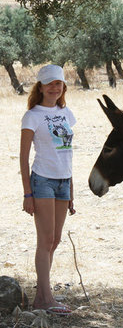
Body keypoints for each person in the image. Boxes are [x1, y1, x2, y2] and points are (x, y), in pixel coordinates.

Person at [20, 64, 76, 315]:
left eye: (59, 83)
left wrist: (71, 188)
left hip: (64, 181)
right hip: (42, 181)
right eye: (50, 83)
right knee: (44, 241)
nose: (55, 87)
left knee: (55, 240)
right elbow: (23, 157)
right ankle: (45, 297)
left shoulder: (67, 113)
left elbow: (67, 153)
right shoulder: (32, 116)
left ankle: (43, 296)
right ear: (40, 87)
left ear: (63, 86)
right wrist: (27, 193)